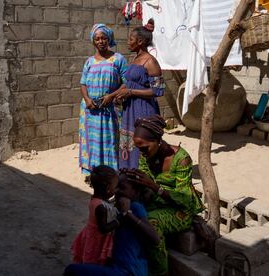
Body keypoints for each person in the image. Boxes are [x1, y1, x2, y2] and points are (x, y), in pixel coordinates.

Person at [124, 115, 204, 276]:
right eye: (139, 149)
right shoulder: (145, 155)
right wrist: (133, 178)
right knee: (124, 208)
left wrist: (154, 186)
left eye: (144, 147)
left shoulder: (181, 160)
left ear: (158, 141)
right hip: (155, 201)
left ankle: (160, 271)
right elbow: (144, 183)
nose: (141, 153)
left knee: (151, 222)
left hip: (180, 210)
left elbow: (184, 199)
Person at [65, 171, 160, 276]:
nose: (117, 191)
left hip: (128, 271)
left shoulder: (135, 207)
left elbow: (155, 239)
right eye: (117, 187)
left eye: (122, 187)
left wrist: (127, 214)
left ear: (135, 192)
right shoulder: (117, 206)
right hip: (119, 268)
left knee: (71, 270)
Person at [115, 19, 166, 170]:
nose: (128, 42)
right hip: (130, 110)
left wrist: (130, 92)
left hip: (143, 110)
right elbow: (129, 83)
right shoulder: (135, 59)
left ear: (140, 41)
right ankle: (130, 173)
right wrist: (115, 95)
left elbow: (158, 90)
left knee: (142, 142)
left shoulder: (150, 62)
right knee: (128, 143)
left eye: (131, 39)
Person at [79, 24, 128, 176]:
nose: (100, 41)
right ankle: (92, 171)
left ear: (109, 39)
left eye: (103, 38)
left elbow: (127, 83)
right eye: (97, 39)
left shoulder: (118, 59)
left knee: (109, 140)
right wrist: (87, 99)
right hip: (90, 109)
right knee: (91, 141)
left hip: (109, 109)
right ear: (93, 41)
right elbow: (83, 83)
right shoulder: (89, 61)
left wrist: (111, 96)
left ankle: (110, 172)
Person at [71, 165, 120, 265]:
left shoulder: (95, 199)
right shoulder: (101, 207)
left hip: (89, 233)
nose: (117, 190)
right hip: (96, 239)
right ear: (108, 188)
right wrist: (117, 221)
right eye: (115, 187)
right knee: (94, 261)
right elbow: (103, 228)